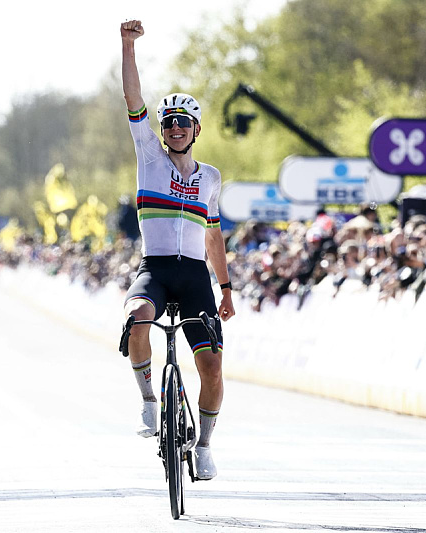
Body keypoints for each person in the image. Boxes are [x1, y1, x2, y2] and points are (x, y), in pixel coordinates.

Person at [120, 19, 235, 480]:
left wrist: (225, 288)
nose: (175, 129)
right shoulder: (149, 155)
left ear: (196, 129)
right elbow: (132, 100)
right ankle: (149, 401)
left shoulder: (209, 177)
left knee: (211, 368)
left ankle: (205, 445)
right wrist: (127, 47)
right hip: (156, 268)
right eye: (169, 123)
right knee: (135, 319)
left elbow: (213, 238)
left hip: (195, 278)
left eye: (183, 123)